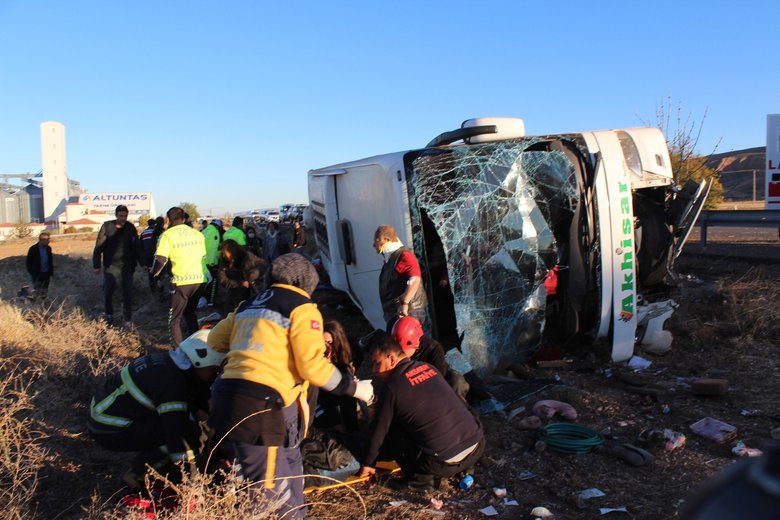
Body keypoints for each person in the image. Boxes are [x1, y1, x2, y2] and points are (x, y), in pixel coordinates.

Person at [207, 253, 374, 519]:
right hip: (262, 405)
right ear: (305, 283)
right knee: (271, 492)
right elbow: (312, 367)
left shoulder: (247, 305)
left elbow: (215, 340)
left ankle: (299, 513)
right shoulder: (302, 308)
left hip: (234, 397)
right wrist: (355, 389)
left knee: (292, 464)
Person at [88, 330, 225, 488]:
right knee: (183, 430)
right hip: (110, 429)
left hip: (107, 418)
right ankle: (138, 475)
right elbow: (178, 436)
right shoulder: (172, 384)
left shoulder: (170, 362)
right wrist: (191, 480)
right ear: (200, 361)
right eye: (214, 369)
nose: (214, 375)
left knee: (188, 423)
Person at [357, 337, 484, 492]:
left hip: (443, 463)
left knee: (395, 431)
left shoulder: (391, 387)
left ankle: (420, 481)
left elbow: (379, 432)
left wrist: (368, 463)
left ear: (391, 359)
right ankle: (463, 465)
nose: (374, 370)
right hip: (477, 446)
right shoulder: (428, 368)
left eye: (377, 364)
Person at [151, 207, 208, 348]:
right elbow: (203, 257)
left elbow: (161, 260)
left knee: (174, 320)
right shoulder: (198, 234)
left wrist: (153, 274)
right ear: (184, 219)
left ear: (168, 220)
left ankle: (178, 352)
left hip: (181, 282)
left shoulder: (167, 235)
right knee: (190, 313)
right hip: (201, 281)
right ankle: (196, 346)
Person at [391, 316, 469, 400]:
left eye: (403, 351)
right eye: (397, 350)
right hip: (407, 389)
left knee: (457, 381)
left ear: (416, 344)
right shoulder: (390, 350)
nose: (399, 355)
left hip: (432, 387)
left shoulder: (432, 348)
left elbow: (439, 381)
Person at [373, 225, 428, 329]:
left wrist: (405, 303)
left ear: (386, 239)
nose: (375, 245)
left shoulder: (404, 256)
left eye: (376, 241)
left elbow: (415, 279)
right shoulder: (391, 260)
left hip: (408, 312)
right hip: (396, 313)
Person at [93, 205, 139, 324]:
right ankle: (109, 314)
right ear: (116, 215)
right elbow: (98, 247)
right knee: (108, 290)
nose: (123, 218)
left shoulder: (130, 227)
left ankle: (127, 318)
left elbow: (137, 247)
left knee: (128, 291)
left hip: (127, 266)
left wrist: (143, 263)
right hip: (111, 265)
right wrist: (96, 264)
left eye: (125, 216)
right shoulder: (107, 226)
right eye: (120, 216)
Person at [315, 320, 360, 432]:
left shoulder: (348, 351)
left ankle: (353, 431)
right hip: (319, 393)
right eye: (323, 342)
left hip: (338, 389)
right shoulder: (316, 355)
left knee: (349, 396)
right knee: (333, 422)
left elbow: (354, 364)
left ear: (337, 342)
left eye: (329, 343)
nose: (326, 346)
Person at [216, 238, 264, 314]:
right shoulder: (224, 262)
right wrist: (240, 283)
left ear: (231, 251)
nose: (223, 255)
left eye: (224, 253)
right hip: (234, 295)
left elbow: (262, 266)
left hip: (252, 292)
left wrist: (253, 274)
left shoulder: (247, 256)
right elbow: (222, 280)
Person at [202, 218, 223, 306]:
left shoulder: (204, 230)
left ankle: (204, 298)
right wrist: (214, 262)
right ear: (218, 226)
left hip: (202, 261)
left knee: (205, 282)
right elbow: (214, 249)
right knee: (213, 282)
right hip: (211, 262)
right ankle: (211, 301)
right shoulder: (215, 232)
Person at [25, 232, 54, 296]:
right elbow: (28, 262)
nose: (49, 241)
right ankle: (36, 303)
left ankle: (43, 303)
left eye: (49, 239)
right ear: (41, 240)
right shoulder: (33, 249)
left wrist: (51, 272)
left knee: (45, 290)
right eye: (47, 240)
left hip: (46, 273)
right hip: (37, 273)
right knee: (37, 290)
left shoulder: (49, 248)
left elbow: (50, 260)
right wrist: (32, 272)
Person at [139, 218, 157, 293]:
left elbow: (140, 246)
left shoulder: (143, 233)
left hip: (147, 255)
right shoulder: (155, 232)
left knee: (150, 271)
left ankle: (152, 287)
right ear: (154, 224)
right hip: (156, 255)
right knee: (157, 270)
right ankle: (158, 286)